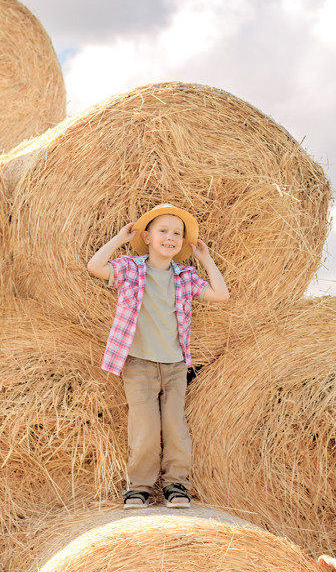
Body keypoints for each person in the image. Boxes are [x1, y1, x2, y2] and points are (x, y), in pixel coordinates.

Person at [87, 204, 229, 508]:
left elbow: (221, 294)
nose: (171, 237)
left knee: (176, 427)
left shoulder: (186, 276)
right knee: (145, 428)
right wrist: (119, 239)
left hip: (176, 365)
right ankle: (139, 487)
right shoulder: (131, 267)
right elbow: (95, 267)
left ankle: (177, 485)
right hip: (138, 363)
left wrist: (206, 259)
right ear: (148, 237)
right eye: (163, 231)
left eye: (177, 233)